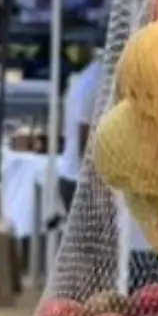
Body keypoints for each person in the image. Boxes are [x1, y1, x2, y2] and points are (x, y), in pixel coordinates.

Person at [57, 54, 105, 210]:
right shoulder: (95, 82)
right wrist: (92, 182)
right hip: (78, 179)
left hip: (72, 173)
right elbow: (84, 133)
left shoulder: (84, 78)